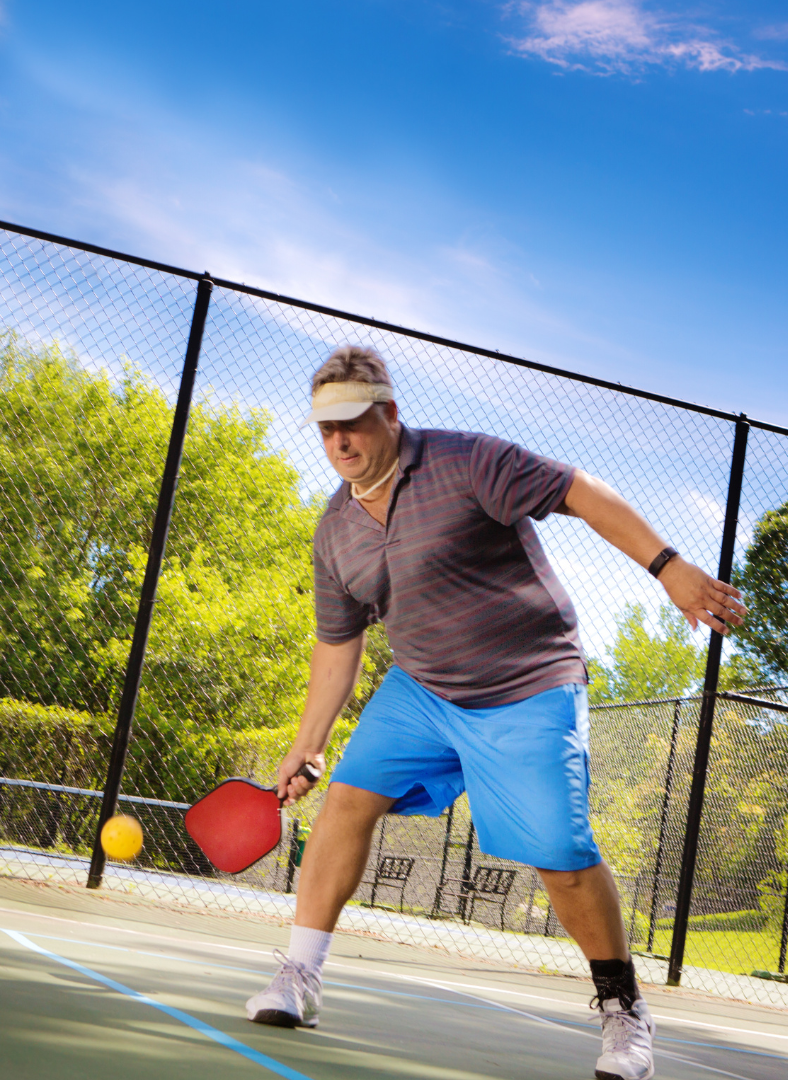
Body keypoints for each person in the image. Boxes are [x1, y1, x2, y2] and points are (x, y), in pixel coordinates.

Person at [245, 347, 746, 1080]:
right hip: (421, 691)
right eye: (325, 431)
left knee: (560, 856)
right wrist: (308, 744)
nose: (340, 443)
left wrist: (669, 568)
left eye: (352, 423)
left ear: (388, 413)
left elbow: (582, 492)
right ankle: (299, 975)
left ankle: (622, 1009)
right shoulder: (334, 532)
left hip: (528, 683)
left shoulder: (468, 461)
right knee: (346, 802)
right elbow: (337, 646)